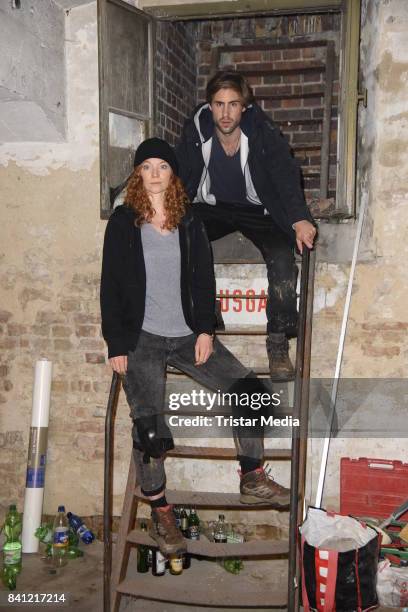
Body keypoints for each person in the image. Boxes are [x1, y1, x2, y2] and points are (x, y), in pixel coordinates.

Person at [100, 138, 291, 556]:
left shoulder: (189, 221)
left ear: (172, 174)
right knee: (150, 431)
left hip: (187, 333)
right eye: (146, 166)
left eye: (162, 167)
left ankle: (252, 476)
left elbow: (204, 280)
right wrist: (117, 343)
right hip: (141, 340)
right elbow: (110, 286)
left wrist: (206, 330)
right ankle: (162, 513)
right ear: (137, 174)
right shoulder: (122, 223)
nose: (154, 173)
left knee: (250, 393)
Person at [176, 70, 317, 381]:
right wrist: (163, 212)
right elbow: (178, 173)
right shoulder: (195, 131)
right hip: (210, 208)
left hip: (257, 209)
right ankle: (206, 318)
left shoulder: (261, 130)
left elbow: (284, 171)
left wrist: (299, 217)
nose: (225, 113)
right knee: (182, 238)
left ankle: (278, 343)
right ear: (209, 105)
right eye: (219, 104)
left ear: (244, 107)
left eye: (233, 105)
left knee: (282, 258)